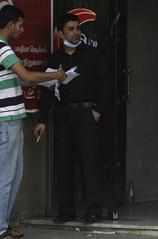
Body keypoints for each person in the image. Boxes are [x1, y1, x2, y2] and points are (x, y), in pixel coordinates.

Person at [0, 5, 66, 239]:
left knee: (14, 175)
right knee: (4, 177)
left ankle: (2, 225)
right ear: (10, 24)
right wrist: (55, 76)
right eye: (20, 25)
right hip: (6, 120)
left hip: (11, 119)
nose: (22, 30)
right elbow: (27, 77)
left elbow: (23, 80)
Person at [34, 13, 110, 224]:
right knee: (64, 161)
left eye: (77, 28)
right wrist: (41, 120)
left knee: (88, 160)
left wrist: (98, 111)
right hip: (63, 114)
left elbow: (106, 83)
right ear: (60, 33)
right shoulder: (54, 59)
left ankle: (93, 209)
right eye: (71, 28)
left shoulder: (91, 55)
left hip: (86, 113)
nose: (76, 32)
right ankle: (66, 209)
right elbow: (48, 92)